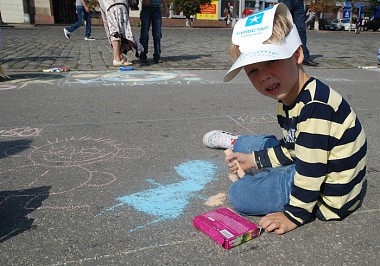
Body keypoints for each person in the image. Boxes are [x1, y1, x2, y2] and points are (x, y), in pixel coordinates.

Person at [202, 3, 367, 235]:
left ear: (297, 54)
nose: (265, 76)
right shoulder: (289, 100)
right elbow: (293, 148)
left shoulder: (315, 108)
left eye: (271, 61)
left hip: (329, 193)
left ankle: (267, 176)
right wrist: (256, 160)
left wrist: (294, 215)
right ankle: (239, 145)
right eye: (253, 71)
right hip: (312, 159)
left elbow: (311, 171)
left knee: (241, 194)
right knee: (245, 146)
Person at [98, 0, 143, 66]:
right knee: (117, 31)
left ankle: (119, 56)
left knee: (114, 29)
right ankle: (117, 58)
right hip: (117, 4)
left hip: (110, 4)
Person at [280, 0, 316, 66]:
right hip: (286, 1)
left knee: (301, 29)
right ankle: (282, 55)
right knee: (284, 28)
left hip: (299, 2)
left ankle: (304, 57)